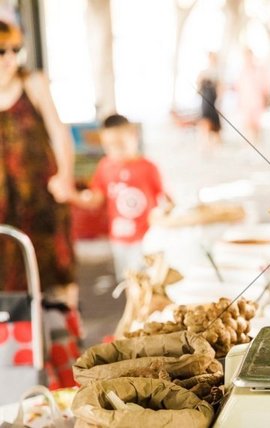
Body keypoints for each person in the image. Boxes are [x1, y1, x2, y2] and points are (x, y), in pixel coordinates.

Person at [0, 19, 79, 388]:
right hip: (3, 208)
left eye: (15, 50)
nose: (9, 58)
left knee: (55, 282)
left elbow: (58, 130)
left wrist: (64, 174)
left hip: (41, 201)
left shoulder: (33, 83)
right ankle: (23, 381)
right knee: (11, 285)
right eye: (2, 50)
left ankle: (69, 375)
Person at [70, 114, 167, 282]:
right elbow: (96, 199)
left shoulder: (148, 168)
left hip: (146, 238)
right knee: (126, 282)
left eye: (120, 143)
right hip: (119, 240)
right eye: (109, 145)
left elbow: (164, 200)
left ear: (134, 136)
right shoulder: (105, 166)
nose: (115, 149)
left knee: (148, 281)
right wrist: (71, 195)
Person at [236, 48, 270, 141]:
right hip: (245, 101)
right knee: (248, 124)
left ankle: (257, 142)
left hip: (257, 101)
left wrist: (267, 97)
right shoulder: (241, 71)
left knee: (256, 124)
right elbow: (238, 88)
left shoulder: (259, 69)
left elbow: (265, 85)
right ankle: (252, 142)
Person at [197, 52, 221, 146]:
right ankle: (205, 143)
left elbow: (220, 88)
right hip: (205, 101)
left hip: (213, 101)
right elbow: (198, 85)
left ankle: (215, 144)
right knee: (205, 121)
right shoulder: (203, 72)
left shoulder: (217, 72)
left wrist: (219, 101)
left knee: (215, 124)